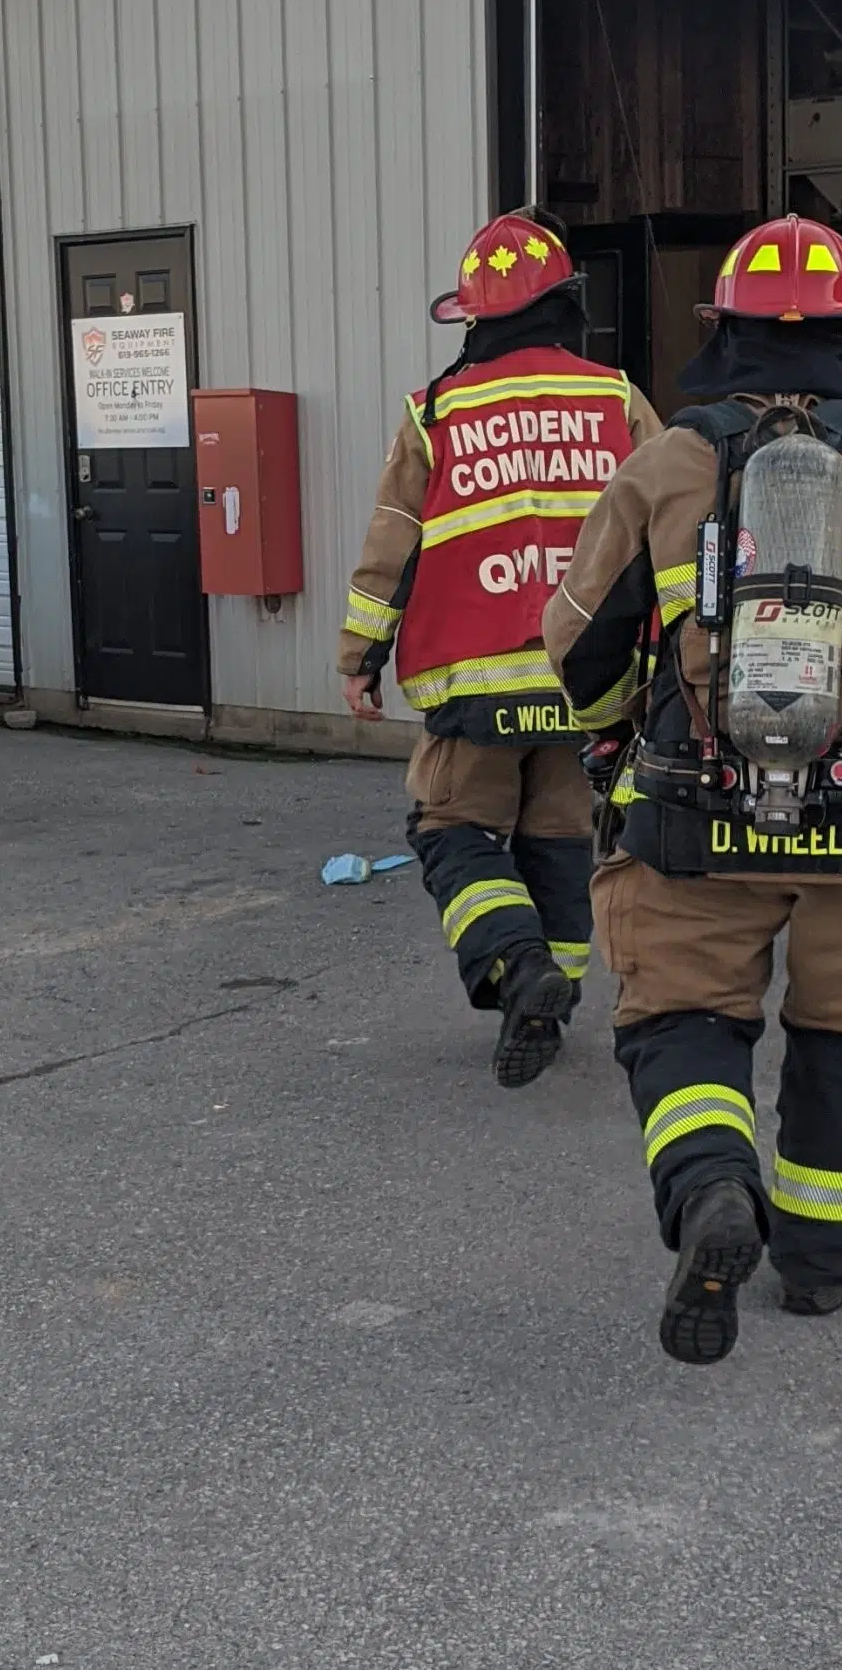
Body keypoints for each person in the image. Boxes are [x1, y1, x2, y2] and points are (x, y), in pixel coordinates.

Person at [543, 215, 842, 1364]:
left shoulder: (662, 464)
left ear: (722, 329)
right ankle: (819, 1267)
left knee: (680, 1018)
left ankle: (713, 1186)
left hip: (690, 811)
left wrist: (613, 738)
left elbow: (577, 647)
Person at [339, 210, 663, 1087]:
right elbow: (674, 532)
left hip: (472, 682)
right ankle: (549, 993)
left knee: (451, 828)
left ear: (478, 317)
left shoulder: (439, 408)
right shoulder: (616, 399)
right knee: (560, 838)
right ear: (564, 306)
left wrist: (358, 655)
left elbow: (391, 546)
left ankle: (520, 969)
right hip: (586, 682)